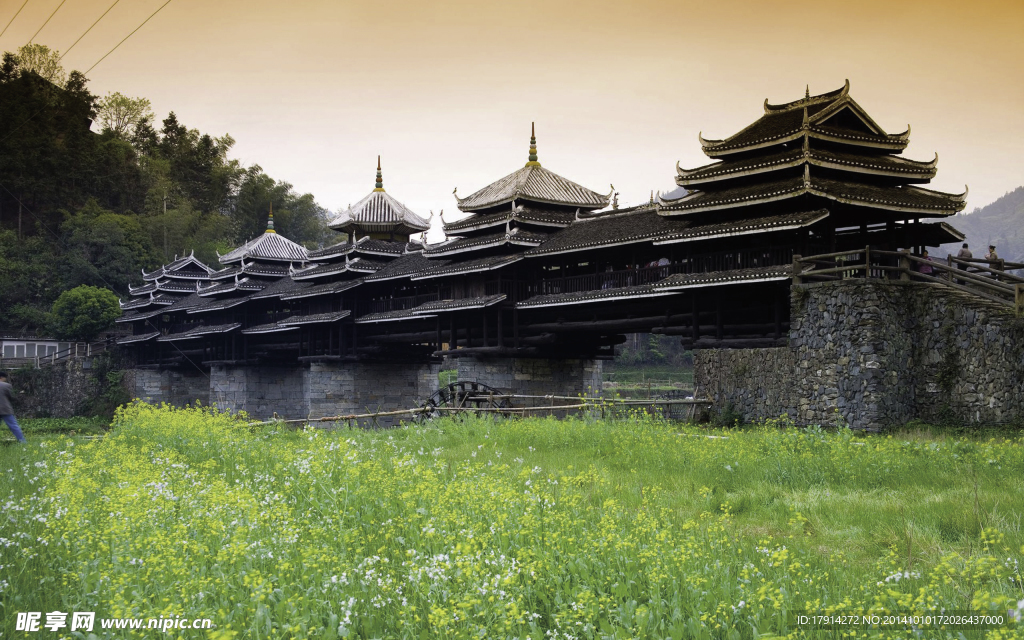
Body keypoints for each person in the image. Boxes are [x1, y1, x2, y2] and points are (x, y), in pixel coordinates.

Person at [0, 371, 26, 444]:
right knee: (14, 426)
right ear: (2, 377)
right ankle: (22, 441)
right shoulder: (6, 385)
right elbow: (12, 397)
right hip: (5, 409)